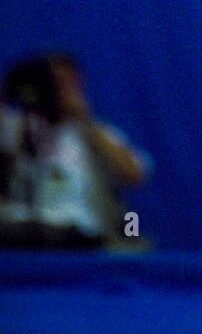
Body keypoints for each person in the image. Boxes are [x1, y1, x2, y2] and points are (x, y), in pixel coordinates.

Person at [0, 54, 151, 249]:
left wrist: (84, 118)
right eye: (51, 82)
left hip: (79, 230)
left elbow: (134, 175)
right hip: (21, 224)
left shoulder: (94, 134)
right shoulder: (19, 127)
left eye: (65, 83)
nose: (57, 90)